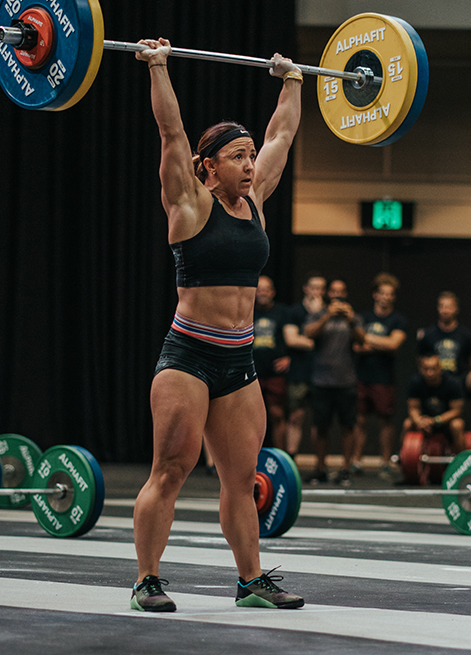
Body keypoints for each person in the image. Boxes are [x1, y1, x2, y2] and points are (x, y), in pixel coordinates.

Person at [130, 37, 304, 613]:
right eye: (238, 157)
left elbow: (281, 134)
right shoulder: (188, 204)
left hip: (240, 360)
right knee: (172, 469)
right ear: (209, 169)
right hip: (188, 358)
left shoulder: (255, 201)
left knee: (241, 477)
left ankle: (251, 582)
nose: (251, 163)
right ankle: (147, 580)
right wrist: (158, 68)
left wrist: (294, 81)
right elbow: (172, 135)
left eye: (250, 155)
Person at [304, 279, 365, 487]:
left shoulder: (353, 317)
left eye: (341, 291)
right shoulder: (318, 314)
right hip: (321, 379)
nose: (338, 295)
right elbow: (309, 333)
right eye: (334, 291)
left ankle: (345, 469)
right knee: (320, 426)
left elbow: (362, 340)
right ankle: (320, 468)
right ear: (329, 293)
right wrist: (328, 315)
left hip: (345, 380)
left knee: (348, 426)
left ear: (346, 294)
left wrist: (351, 321)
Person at [352, 273, 407, 480]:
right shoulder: (364, 317)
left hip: (384, 378)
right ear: (375, 295)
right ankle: (357, 461)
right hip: (362, 376)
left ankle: (385, 462)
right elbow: (357, 346)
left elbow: (394, 344)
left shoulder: (398, 320)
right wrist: (381, 343)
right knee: (360, 420)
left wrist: (369, 341)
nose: (386, 297)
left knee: (385, 421)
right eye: (383, 293)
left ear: (393, 297)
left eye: (390, 294)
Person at [417, 291, 471, 430]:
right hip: (435, 381)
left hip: (458, 379)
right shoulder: (428, 335)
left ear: (456, 309)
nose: (445, 310)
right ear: (438, 309)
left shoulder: (466, 335)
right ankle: (423, 419)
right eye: (442, 306)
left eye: (449, 307)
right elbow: (420, 361)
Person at [282, 272, 326, 459]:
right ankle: (291, 458)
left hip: (323, 373)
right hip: (299, 372)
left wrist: (317, 316)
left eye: (321, 288)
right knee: (295, 416)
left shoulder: (328, 313)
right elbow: (291, 340)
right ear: (306, 288)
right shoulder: (294, 312)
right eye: (313, 287)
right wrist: (315, 341)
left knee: (320, 421)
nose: (317, 292)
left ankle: (320, 464)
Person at [253, 275, 290, 449]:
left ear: (273, 292)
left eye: (266, 289)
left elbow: (292, 337)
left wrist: (289, 357)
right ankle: (250, 459)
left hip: (275, 373)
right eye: (259, 289)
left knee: (277, 414)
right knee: (250, 417)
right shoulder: (247, 311)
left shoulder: (282, 312)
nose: (262, 293)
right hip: (252, 373)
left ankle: (280, 457)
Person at [402, 354, 466, 454]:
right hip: (424, 421)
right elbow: (413, 408)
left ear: (440, 368)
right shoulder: (415, 383)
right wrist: (419, 421)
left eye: (433, 369)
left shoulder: (453, 383)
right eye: (426, 369)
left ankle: (462, 459)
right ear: (420, 369)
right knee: (407, 424)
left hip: (444, 422)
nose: (430, 373)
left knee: (457, 425)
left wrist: (435, 421)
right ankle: (404, 456)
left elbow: (456, 411)